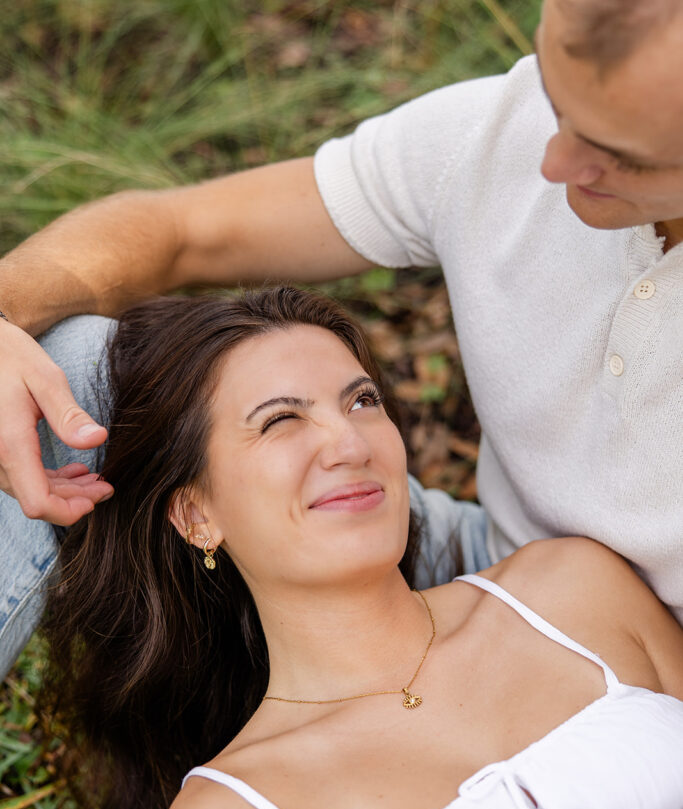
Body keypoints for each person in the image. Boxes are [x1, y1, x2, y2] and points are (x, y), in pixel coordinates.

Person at [41, 287, 683, 809]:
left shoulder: (572, 588)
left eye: (361, 401)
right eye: (281, 420)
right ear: (196, 514)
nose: (349, 443)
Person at [1, 0, 683, 678]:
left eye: (620, 156)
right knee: (68, 368)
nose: (554, 163)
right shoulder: (501, 126)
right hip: (484, 558)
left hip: (653, 662)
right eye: (556, 103)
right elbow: (185, 232)